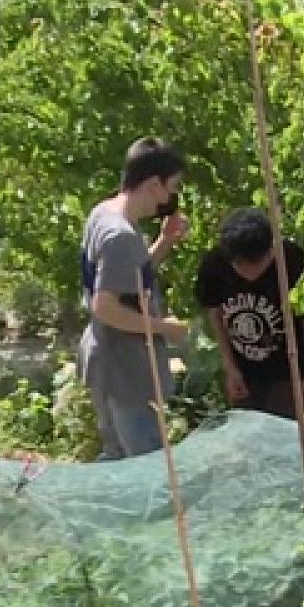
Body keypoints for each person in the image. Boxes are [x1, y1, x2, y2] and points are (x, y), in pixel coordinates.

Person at [78, 137, 191, 461]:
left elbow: (126, 280)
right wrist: (163, 328)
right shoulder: (121, 236)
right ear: (154, 184)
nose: (172, 196)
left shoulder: (104, 214)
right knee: (145, 464)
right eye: (172, 186)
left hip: (107, 360)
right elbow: (105, 306)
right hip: (125, 369)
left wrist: (164, 243)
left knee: (116, 458)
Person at [194, 206, 304, 422]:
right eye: (240, 266)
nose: (249, 274)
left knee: (287, 436)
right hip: (245, 372)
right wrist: (230, 367)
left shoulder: (293, 262)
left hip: (288, 370)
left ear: (272, 249)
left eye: (257, 264)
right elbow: (215, 313)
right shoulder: (215, 267)